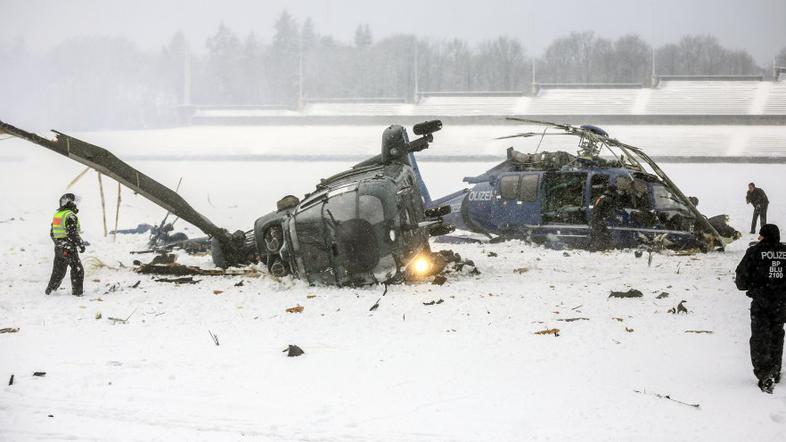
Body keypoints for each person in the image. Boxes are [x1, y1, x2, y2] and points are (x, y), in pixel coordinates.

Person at [735, 224, 786, 394]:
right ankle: (775, 369)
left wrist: (754, 287)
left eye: (760, 235)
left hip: (761, 302)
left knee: (760, 337)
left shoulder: (754, 253)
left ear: (764, 236)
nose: (758, 238)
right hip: (782, 303)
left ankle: (764, 373)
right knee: (777, 335)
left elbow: (741, 280)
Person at [45, 193, 88, 296]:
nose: (76, 205)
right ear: (70, 203)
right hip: (68, 248)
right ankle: (77, 293)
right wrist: (81, 244)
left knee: (58, 271)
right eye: (75, 203)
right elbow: (72, 233)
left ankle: (50, 290)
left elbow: (52, 233)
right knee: (77, 269)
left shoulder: (58, 215)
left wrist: (59, 243)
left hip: (59, 247)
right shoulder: (70, 215)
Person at [589, 186, 616, 251]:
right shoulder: (607, 198)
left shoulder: (601, 197)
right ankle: (595, 248)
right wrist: (614, 218)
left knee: (601, 234)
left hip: (596, 218)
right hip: (599, 219)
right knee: (601, 234)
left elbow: (596, 208)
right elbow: (608, 210)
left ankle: (602, 247)